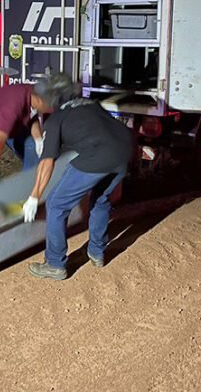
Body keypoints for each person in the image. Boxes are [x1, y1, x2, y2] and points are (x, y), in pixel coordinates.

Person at [23, 73, 134, 280]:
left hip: (99, 156)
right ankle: (97, 252)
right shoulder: (90, 104)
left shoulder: (55, 120)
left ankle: (55, 264)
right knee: (100, 200)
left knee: (56, 204)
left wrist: (34, 196)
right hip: (125, 149)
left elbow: (47, 162)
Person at [0, 83, 50, 186]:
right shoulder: (12, 108)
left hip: (9, 123)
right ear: (40, 101)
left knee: (32, 146)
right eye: (50, 106)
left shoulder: (32, 94)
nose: (51, 109)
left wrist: (38, 139)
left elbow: (32, 117)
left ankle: (28, 185)